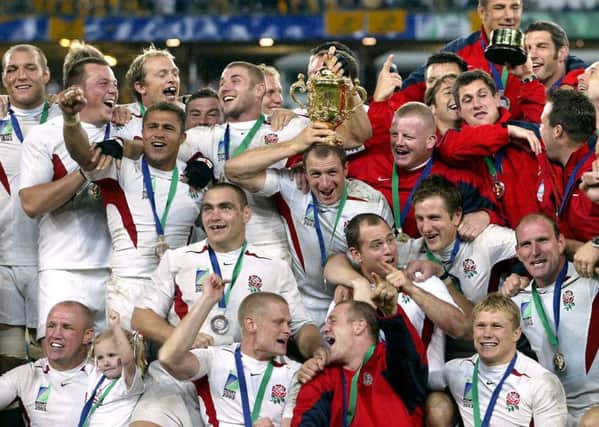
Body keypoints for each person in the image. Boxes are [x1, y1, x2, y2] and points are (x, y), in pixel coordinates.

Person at [130, 183, 320, 427]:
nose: (214, 216)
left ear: (246, 214)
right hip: (182, 370)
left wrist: (318, 350)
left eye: (225, 208)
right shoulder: (177, 258)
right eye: (208, 209)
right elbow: (142, 317)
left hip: (241, 378)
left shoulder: (273, 266)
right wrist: (181, 337)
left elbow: (300, 325)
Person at [61, 99, 211, 329]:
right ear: (142, 133)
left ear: (182, 138)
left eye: (168, 128)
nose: (158, 134)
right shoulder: (121, 168)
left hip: (179, 286)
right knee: (129, 362)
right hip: (129, 286)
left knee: (173, 362)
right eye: (152, 127)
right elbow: (84, 156)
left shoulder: (196, 178)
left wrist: (207, 163)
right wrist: (71, 120)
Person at [226, 140, 393, 325]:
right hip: (303, 305)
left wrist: (354, 282)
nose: (324, 183)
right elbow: (234, 171)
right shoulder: (294, 187)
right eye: (315, 173)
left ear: (346, 169)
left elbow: (388, 257)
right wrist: (293, 146)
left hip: (355, 297)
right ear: (304, 171)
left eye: (332, 172)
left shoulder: (371, 202)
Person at [19, 53, 117, 335]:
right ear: (78, 92)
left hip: (119, 269)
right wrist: (84, 173)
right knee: (63, 359)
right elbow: (32, 203)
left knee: (118, 362)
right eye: (103, 83)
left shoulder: (128, 130)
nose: (112, 89)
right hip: (64, 268)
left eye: (114, 83)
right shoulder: (44, 136)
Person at [181, 61, 311, 262]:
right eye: (223, 82)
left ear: (259, 90)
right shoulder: (206, 137)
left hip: (270, 249)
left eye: (235, 81)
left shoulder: (286, 127)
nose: (225, 87)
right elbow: (157, 139)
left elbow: (350, 138)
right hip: (220, 250)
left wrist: (310, 162)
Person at [323, 212, 468, 391]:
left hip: (421, 387)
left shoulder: (423, 280)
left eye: (390, 240)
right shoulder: (347, 294)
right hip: (367, 389)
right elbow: (333, 351)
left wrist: (411, 289)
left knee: (439, 410)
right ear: (357, 254)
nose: (388, 250)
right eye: (377, 245)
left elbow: (460, 328)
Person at [159, 280, 301, 427]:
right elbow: (169, 358)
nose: (287, 330)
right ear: (251, 324)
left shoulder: (294, 371)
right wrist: (207, 300)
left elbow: (290, 423)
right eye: (279, 322)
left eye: (289, 324)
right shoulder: (215, 358)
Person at [291, 281, 428, 426]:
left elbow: (411, 359)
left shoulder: (390, 364)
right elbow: (306, 421)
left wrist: (392, 316)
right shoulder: (321, 376)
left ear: (358, 326)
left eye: (333, 321)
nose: (325, 329)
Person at [511, 213, 599, 426]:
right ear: (518, 253)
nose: (535, 251)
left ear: (561, 243)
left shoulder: (591, 279)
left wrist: (596, 244)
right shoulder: (515, 298)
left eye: (542, 240)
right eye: (526, 244)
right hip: (554, 408)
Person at [0, 44, 58, 361]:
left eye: (30, 68)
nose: (21, 75)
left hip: (51, 261)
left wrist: (119, 109)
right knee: (7, 365)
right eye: (12, 69)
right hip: (3, 259)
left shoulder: (66, 118)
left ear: (46, 74)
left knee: (49, 360)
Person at [437, 69, 545, 228]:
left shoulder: (527, 134)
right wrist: (506, 132)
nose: (476, 104)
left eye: (482, 95)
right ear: (459, 111)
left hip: (538, 236)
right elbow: (451, 148)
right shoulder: (454, 142)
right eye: (467, 100)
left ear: (496, 99)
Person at [374, 102, 497, 239]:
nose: (399, 142)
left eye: (408, 137)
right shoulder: (371, 165)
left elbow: (495, 216)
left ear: (430, 141)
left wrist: (486, 216)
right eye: (394, 134)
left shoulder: (458, 178)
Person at [444, 293, 568, 426]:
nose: (487, 334)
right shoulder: (456, 371)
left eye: (496, 326)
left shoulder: (541, 382)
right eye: (480, 326)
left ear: (516, 334)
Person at [349, 53, 467, 189]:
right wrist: (379, 101)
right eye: (433, 81)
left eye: (451, 80)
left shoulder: (480, 132)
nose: (441, 86)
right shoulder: (397, 125)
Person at [0, 301, 96, 425]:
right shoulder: (27, 374)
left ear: (87, 335)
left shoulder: (102, 377)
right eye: (51, 326)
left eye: (66, 327)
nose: (56, 334)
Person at [538, 89, 599, 278]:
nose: (538, 130)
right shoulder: (553, 165)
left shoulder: (595, 168)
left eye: (542, 124)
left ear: (557, 131)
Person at [82, 309, 144, 427]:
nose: (105, 362)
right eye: (100, 357)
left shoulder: (129, 382)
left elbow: (128, 360)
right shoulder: (98, 375)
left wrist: (116, 327)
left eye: (111, 355)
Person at [122, 46, 181, 138]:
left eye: (175, 74)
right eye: (162, 75)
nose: (172, 79)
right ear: (140, 87)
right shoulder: (123, 121)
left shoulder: (192, 116)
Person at [524, 21, 584, 92]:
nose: (531, 55)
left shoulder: (586, 90)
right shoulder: (518, 89)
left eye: (542, 47)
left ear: (562, 53)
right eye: (527, 49)